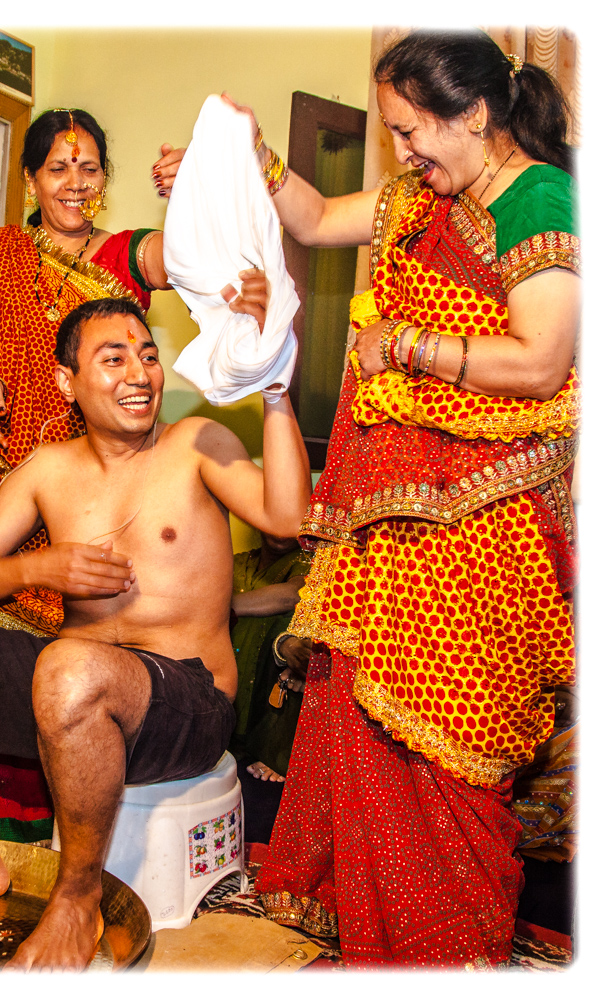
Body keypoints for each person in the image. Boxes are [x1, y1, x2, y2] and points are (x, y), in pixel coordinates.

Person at [224, 30, 579, 967]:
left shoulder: (540, 196)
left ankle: (450, 954)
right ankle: (385, 953)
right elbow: (307, 218)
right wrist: (245, 151)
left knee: (451, 758)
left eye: (411, 132)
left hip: (484, 531)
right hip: (388, 530)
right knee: (368, 730)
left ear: (472, 113)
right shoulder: (413, 201)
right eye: (391, 136)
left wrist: (406, 344)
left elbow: (541, 362)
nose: (403, 154)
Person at [0, 295, 311, 969]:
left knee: (70, 668)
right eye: (114, 357)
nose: (139, 374)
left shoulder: (195, 445)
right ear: (68, 383)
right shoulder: (48, 469)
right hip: (68, 689)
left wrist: (275, 393)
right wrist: (43, 564)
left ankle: (77, 896)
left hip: (185, 703)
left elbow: (286, 517)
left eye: (148, 356)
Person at [0, 108, 179, 842]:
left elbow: (186, 255)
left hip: (85, 493)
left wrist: (194, 191)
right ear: (30, 177)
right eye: (58, 168)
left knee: (64, 665)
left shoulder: (119, 257)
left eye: (89, 169)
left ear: (106, 180)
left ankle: (51, 821)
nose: (74, 184)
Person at [229, 533, 311, 783]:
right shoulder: (236, 561)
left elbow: (292, 595)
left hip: (267, 714)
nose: (280, 531)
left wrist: (216, 607)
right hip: (221, 696)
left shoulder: (309, 562)